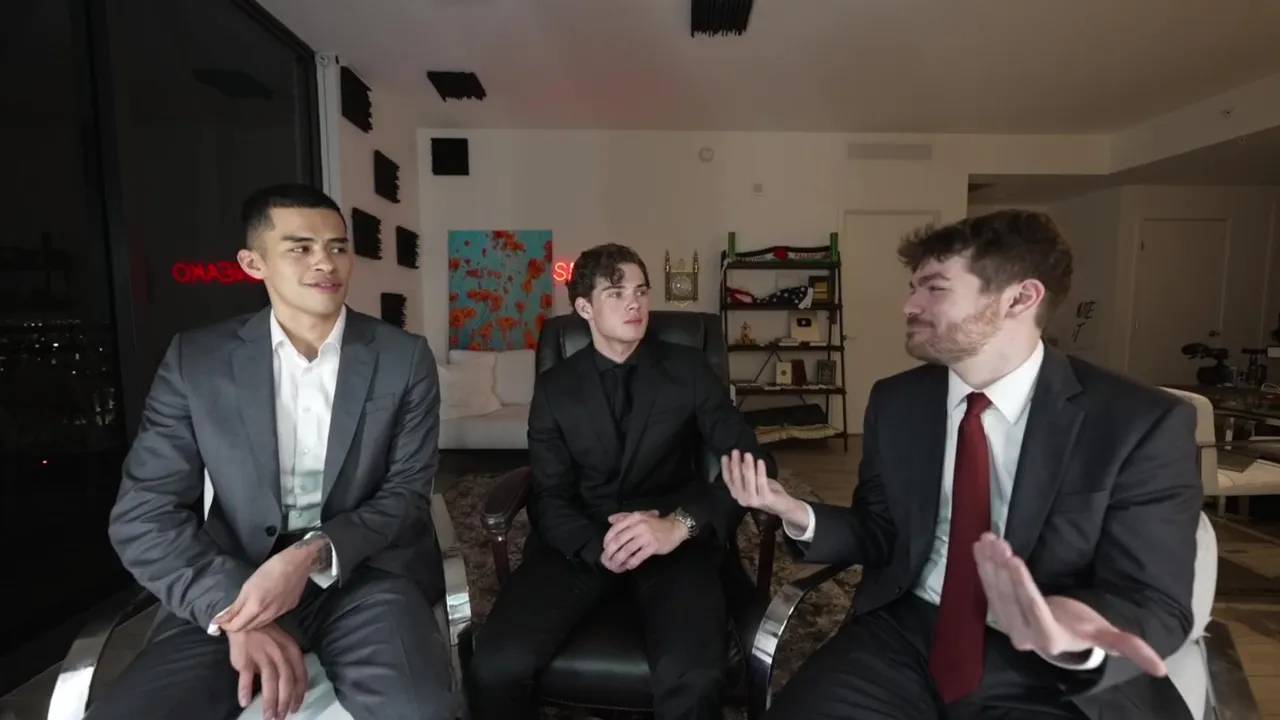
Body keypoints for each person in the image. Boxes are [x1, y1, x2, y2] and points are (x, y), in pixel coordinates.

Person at [725, 210, 1202, 720]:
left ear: (1020, 298)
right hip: (904, 635)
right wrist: (797, 511)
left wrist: (1072, 626)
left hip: (1048, 669)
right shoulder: (897, 401)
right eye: (913, 288)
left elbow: (1154, 601)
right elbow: (882, 530)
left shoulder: (1139, 423)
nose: (909, 305)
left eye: (935, 288)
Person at [89, 184, 455, 720]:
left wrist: (310, 555)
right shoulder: (199, 361)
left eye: (337, 247)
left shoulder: (403, 357)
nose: (325, 263)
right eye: (300, 247)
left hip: (364, 576)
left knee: (419, 711)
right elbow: (143, 513)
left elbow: (406, 494)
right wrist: (235, 610)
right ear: (253, 263)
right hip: (234, 577)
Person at [467, 243, 775, 720]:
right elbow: (550, 495)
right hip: (582, 541)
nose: (635, 303)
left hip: (673, 540)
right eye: (616, 293)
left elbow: (755, 461)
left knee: (694, 676)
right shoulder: (555, 388)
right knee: (494, 664)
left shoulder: (689, 370)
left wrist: (680, 525)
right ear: (584, 308)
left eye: (641, 291)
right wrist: (600, 546)